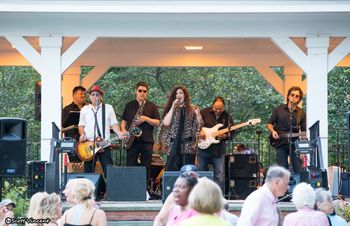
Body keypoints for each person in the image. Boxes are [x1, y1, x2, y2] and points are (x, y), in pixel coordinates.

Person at [78, 85, 126, 176]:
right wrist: (82, 134)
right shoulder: (85, 109)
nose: (95, 96)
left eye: (97, 94)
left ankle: (110, 190)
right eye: (93, 94)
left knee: (109, 171)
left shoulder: (108, 108)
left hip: (104, 144)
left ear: (101, 96)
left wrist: (119, 132)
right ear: (90, 96)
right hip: (89, 144)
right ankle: (89, 190)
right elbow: (81, 125)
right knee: (88, 172)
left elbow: (114, 123)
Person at [121, 82, 160, 178]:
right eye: (140, 90)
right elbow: (123, 121)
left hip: (147, 141)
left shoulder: (152, 106)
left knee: (146, 167)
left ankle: (145, 190)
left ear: (147, 93)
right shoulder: (129, 105)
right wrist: (123, 131)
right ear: (136, 91)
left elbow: (158, 123)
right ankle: (131, 188)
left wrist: (146, 119)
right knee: (130, 166)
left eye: (144, 91)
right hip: (132, 141)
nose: (142, 93)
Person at [158, 85, 202, 171]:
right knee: (172, 171)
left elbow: (199, 126)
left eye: (181, 93)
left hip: (188, 146)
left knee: (188, 172)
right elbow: (166, 123)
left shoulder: (192, 109)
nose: (178, 95)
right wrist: (173, 107)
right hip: (173, 145)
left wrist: (198, 115)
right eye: (176, 94)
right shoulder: (171, 108)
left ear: (185, 95)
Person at [267, 86, 306, 173]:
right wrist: (273, 131)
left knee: (298, 170)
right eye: (292, 95)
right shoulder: (278, 109)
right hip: (280, 142)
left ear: (299, 99)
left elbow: (303, 133)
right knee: (282, 170)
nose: (294, 97)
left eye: (297, 96)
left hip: (295, 144)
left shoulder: (301, 113)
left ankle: (298, 186)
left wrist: (303, 150)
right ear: (288, 96)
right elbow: (269, 124)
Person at [197, 96, 233, 192]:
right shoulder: (204, 113)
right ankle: (200, 195)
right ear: (212, 106)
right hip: (203, 149)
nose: (218, 111)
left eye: (220, 109)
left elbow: (231, 133)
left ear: (224, 107)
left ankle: (218, 198)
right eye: (216, 109)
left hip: (219, 150)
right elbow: (195, 125)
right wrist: (200, 132)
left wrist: (225, 136)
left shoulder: (227, 117)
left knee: (219, 174)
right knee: (201, 173)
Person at [62, 86, 86, 162]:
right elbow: (62, 126)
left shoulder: (89, 108)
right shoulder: (67, 109)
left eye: (84, 94)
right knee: (74, 164)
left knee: (87, 164)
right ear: (74, 95)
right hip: (72, 140)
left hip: (87, 141)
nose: (83, 95)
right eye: (81, 94)